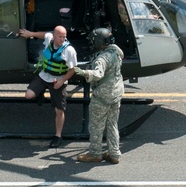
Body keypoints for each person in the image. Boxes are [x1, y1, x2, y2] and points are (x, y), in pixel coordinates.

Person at [18, 25, 77, 147]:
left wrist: (62, 81)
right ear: (54, 36)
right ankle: (41, 93)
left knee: (59, 110)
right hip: (44, 76)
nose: (62, 39)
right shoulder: (49, 38)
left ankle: (58, 136)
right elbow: (43, 34)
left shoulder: (69, 50)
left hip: (58, 80)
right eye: (60, 37)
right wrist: (30, 34)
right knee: (28, 95)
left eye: (64, 37)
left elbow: (72, 70)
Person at [75, 28, 125, 163]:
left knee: (96, 125)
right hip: (116, 94)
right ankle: (114, 154)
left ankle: (95, 153)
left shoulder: (102, 59)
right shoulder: (116, 52)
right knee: (112, 124)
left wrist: (84, 73)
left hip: (102, 96)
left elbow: (98, 75)